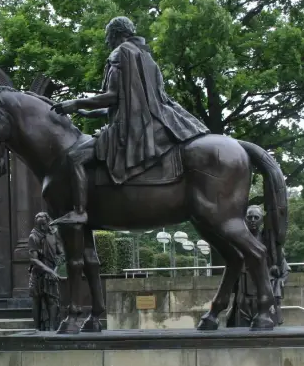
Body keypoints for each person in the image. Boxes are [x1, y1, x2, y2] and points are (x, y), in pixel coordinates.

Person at [51, 16, 210, 225]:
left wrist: (76, 103)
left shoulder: (119, 53)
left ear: (115, 34)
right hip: (156, 123)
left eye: (108, 36)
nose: (107, 41)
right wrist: (94, 113)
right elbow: (133, 102)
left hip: (129, 130)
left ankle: (80, 211)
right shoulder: (146, 56)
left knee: (75, 157)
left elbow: (113, 96)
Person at [227, 205, 290, 327]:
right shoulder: (238, 243)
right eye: (249, 217)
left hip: (264, 297)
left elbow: (285, 270)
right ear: (245, 219)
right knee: (240, 332)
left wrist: (279, 283)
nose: (253, 220)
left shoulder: (270, 245)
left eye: (256, 217)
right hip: (243, 297)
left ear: (261, 220)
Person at [28, 212, 66, 331]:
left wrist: (55, 269)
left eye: (43, 218)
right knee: (36, 299)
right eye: (37, 218)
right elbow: (34, 259)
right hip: (38, 272)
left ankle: (52, 327)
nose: (40, 219)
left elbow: (62, 253)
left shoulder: (54, 234)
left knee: (52, 299)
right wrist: (50, 271)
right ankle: (37, 328)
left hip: (52, 269)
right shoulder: (33, 237)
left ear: (47, 220)